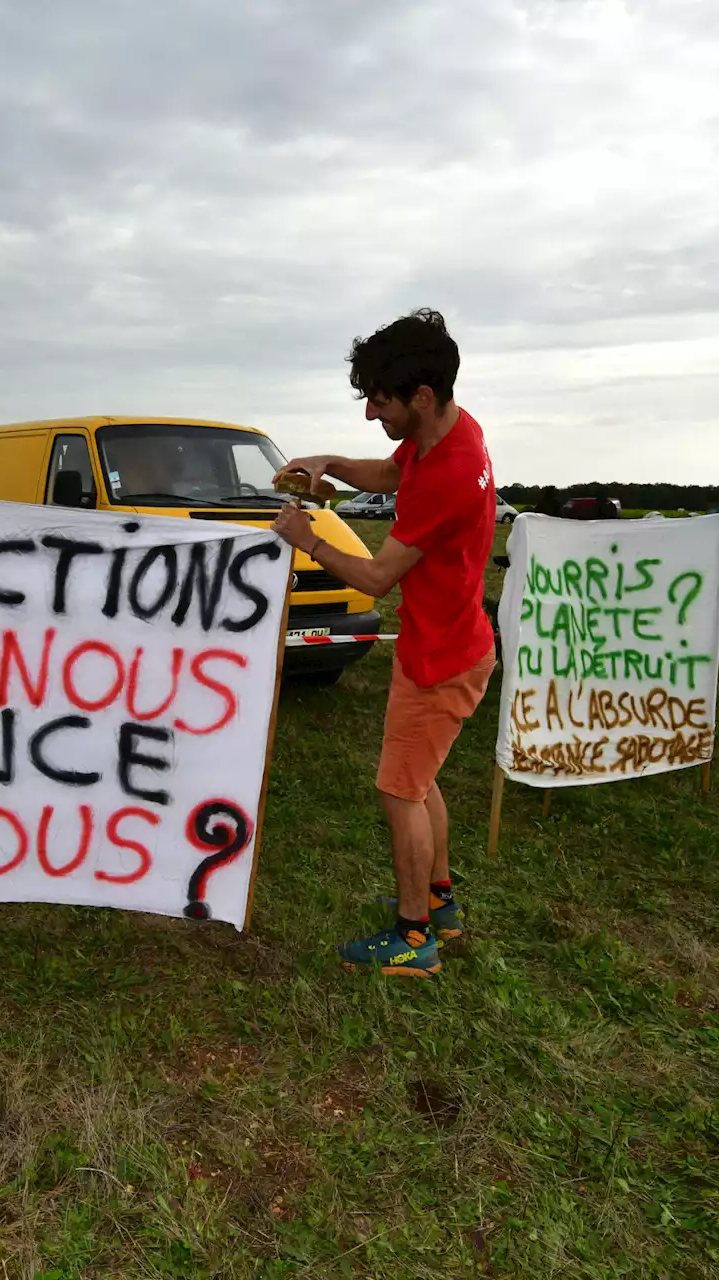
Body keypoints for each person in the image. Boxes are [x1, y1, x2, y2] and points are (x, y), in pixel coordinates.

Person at [271, 309, 496, 978]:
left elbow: (373, 577)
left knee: (400, 789)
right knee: (419, 781)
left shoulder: (448, 477)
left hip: (439, 660)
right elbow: (389, 474)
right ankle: (440, 902)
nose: (372, 413)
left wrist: (306, 537)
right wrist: (330, 463)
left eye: (380, 399)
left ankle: (413, 936)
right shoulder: (449, 434)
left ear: (421, 397)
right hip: (451, 644)